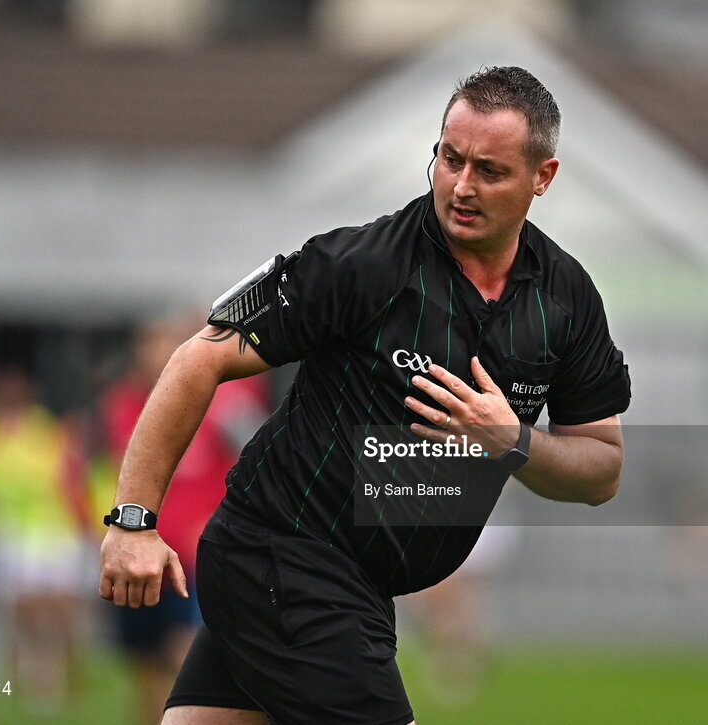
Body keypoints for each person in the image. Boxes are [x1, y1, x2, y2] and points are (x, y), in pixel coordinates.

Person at [99, 66, 631, 725]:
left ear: (542, 177)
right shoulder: (362, 265)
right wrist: (132, 520)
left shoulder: (566, 300)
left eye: (489, 171)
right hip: (284, 560)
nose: (461, 186)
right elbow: (195, 359)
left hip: (353, 585)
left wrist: (513, 441)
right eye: (449, 158)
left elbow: (601, 468)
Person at [93, 318, 270, 725]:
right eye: (152, 344)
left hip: (194, 551)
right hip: (143, 548)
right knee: (145, 661)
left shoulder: (220, 400)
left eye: (170, 343)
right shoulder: (124, 402)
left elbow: (255, 450)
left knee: (187, 651)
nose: (160, 353)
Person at [0, 366, 89, 711]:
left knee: (60, 606)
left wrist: (83, 523)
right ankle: (39, 670)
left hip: (53, 527)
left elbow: (70, 478)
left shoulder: (48, 430)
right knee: (22, 608)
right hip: (8, 532)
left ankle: (64, 669)